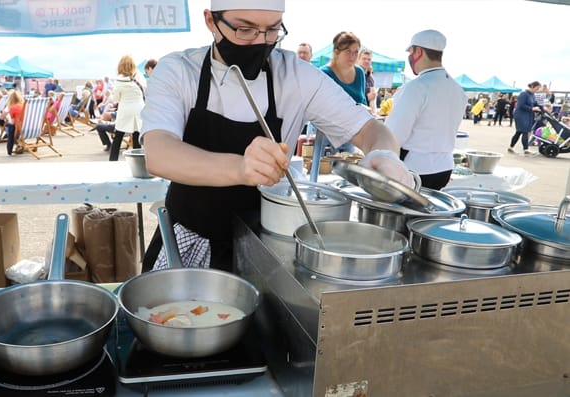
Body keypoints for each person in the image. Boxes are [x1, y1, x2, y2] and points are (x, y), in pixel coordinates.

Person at [139, 0, 413, 272]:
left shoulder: (296, 76)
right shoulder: (178, 70)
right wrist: (241, 168)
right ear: (211, 21)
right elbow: (160, 152)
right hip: (190, 244)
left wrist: (384, 154)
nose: (261, 41)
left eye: (272, 30)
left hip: (267, 250)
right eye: (245, 29)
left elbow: (371, 130)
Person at [384, 29, 467, 190]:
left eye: (410, 51)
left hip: (415, 170)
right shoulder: (458, 89)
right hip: (444, 168)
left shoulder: (415, 87)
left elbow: (394, 135)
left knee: (406, 214)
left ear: (418, 51)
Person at [319, 31, 366, 154]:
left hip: (353, 135)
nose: (352, 56)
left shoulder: (360, 72)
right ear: (336, 52)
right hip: (326, 136)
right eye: (348, 51)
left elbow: (362, 103)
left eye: (356, 52)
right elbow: (323, 109)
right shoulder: (324, 73)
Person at [109, 55, 146, 161]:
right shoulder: (139, 76)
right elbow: (145, 91)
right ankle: (137, 162)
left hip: (125, 110)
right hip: (139, 109)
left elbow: (116, 99)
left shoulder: (118, 80)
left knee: (118, 137)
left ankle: (112, 162)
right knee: (136, 137)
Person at [508, 81, 542, 155]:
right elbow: (521, 105)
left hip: (527, 115)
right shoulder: (524, 94)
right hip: (521, 115)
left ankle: (511, 147)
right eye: (537, 88)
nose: (537, 90)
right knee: (525, 131)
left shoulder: (532, 95)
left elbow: (535, 103)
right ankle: (526, 149)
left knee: (519, 132)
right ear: (532, 86)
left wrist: (542, 108)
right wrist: (532, 109)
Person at [357, 47, 377, 113]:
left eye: (369, 59)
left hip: (367, 115)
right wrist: (367, 98)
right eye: (364, 59)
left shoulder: (370, 78)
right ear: (358, 59)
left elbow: (372, 100)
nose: (366, 61)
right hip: (355, 114)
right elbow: (348, 96)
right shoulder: (352, 74)